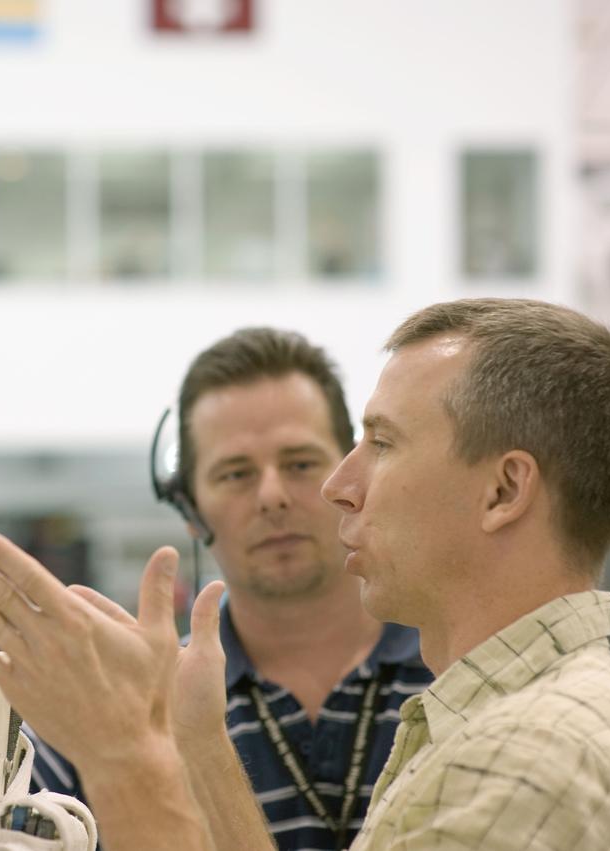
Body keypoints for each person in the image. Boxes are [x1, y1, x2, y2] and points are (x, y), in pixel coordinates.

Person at [0, 298, 610, 850]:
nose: (329, 489)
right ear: (191, 508)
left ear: (503, 490)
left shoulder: (518, 759)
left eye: (381, 444)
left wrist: (134, 756)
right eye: (235, 473)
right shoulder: (475, 714)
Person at [28, 328, 433, 850]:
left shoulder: (457, 674)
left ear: (353, 477)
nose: (272, 496)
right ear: (190, 510)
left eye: (301, 464)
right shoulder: (138, 708)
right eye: (236, 473)